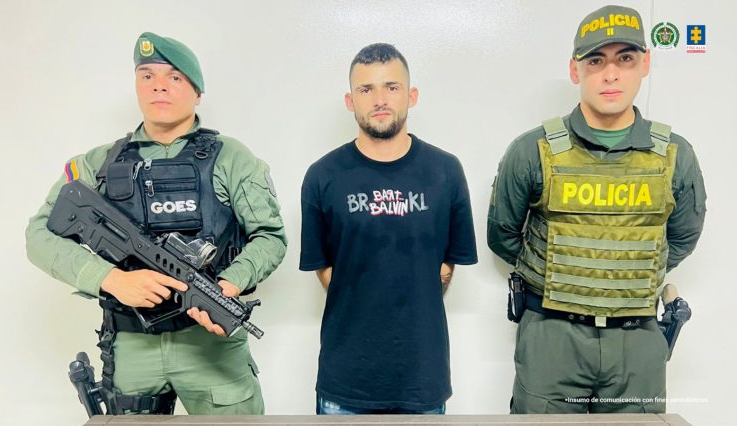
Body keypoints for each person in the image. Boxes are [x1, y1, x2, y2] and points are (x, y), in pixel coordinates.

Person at [25, 32, 286, 415]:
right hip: (131, 345)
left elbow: (270, 237)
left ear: (197, 92)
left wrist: (229, 285)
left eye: (175, 77)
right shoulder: (95, 163)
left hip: (212, 346)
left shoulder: (233, 158)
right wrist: (111, 279)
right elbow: (38, 236)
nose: (160, 86)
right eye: (147, 75)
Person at [487, 5, 706, 414]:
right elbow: (502, 234)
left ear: (645, 64)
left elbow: (682, 237)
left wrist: (623, 277)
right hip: (551, 335)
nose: (611, 74)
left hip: (637, 338)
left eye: (625, 58)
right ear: (576, 71)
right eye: (596, 61)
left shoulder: (676, 155)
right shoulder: (532, 150)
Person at [300, 43, 478, 415]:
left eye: (391, 87)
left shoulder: (445, 171)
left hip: (422, 382)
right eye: (366, 89)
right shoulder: (322, 176)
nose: (379, 99)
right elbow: (324, 267)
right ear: (350, 101)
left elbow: (448, 264)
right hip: (344, 385)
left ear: (411, 95)